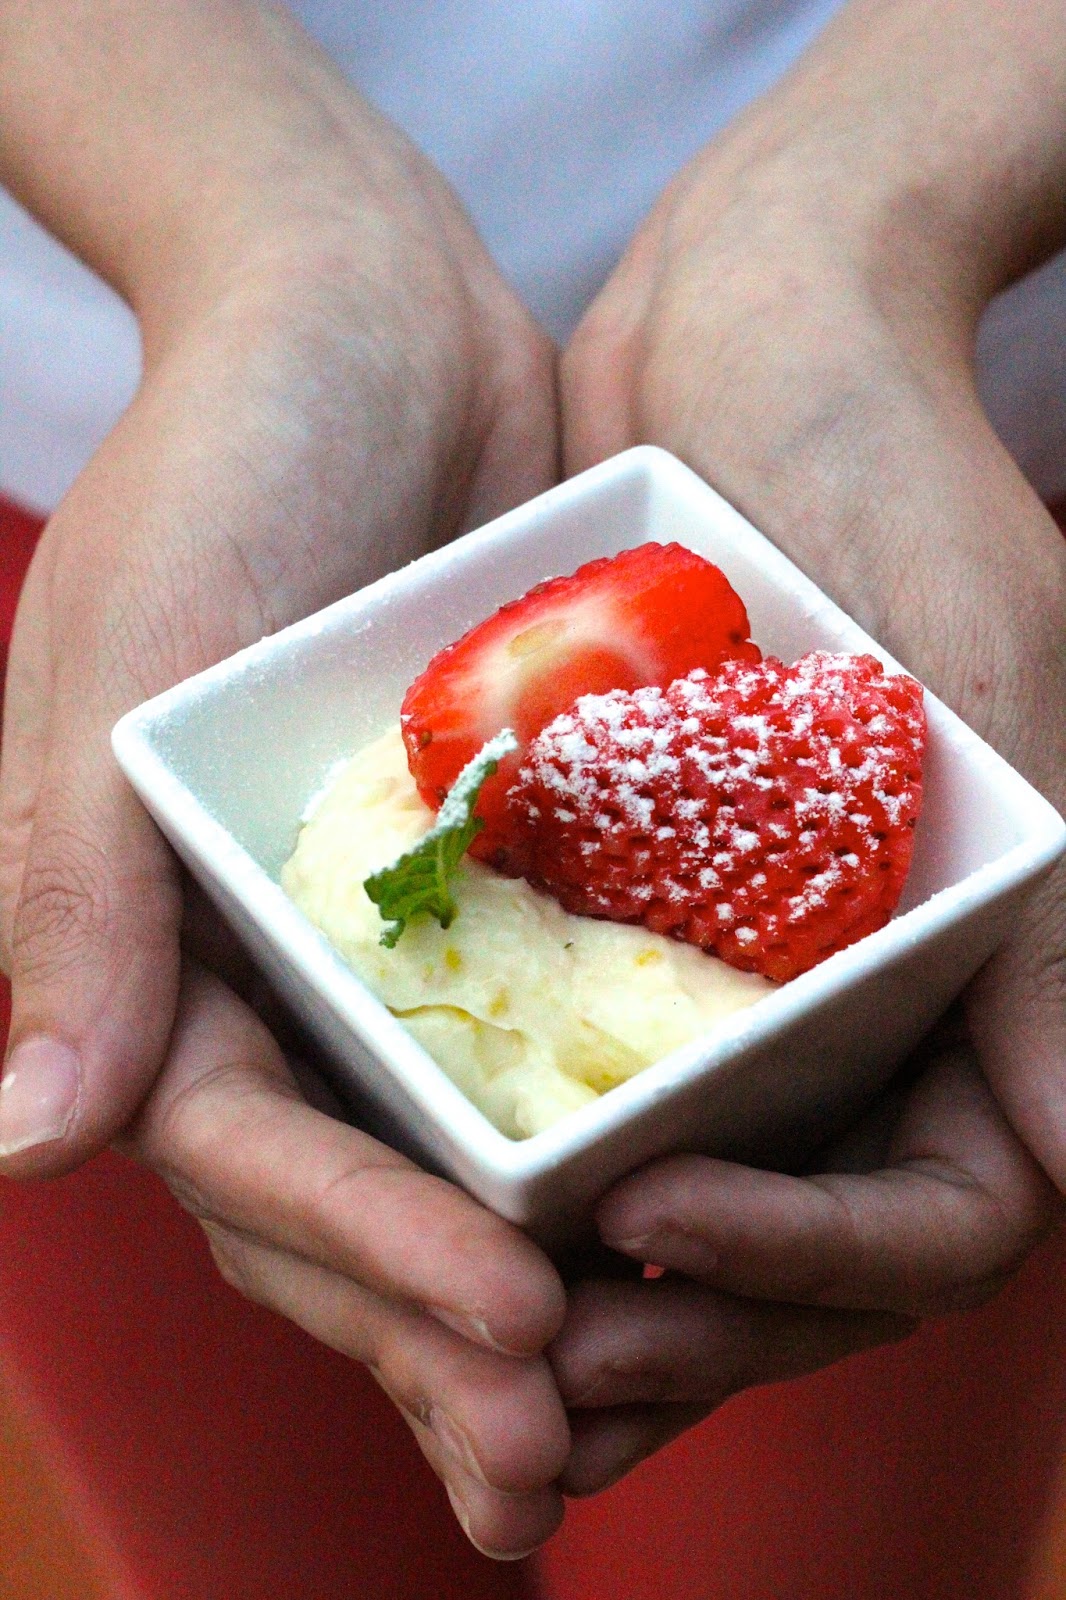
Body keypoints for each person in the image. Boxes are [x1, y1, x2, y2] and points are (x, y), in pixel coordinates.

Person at [0, 0, 1063, 1561]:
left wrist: (868, 207)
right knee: (256, 1545)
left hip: (951, 408)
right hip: (116, 445)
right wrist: (251, 218)